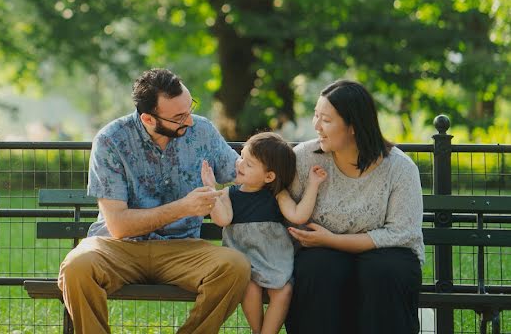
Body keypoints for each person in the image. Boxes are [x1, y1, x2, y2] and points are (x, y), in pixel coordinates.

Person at [58, 68, 251, 334]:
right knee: (76, 267)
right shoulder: (111, 140)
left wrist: (292, 158)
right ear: (148, 118)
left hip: (182, 249)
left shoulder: (202, 131)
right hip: (118, 248)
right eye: (179, 117)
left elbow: (242, 170)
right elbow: (118, 226)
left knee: (235, 266)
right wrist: (183, 207)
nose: (190, 121)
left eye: (189, 109)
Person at [285, 79, 424, 334]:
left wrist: (331, 240)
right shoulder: (304, 158)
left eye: (326, 120)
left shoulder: (400, 168)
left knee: (383, 271)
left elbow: (401, 233)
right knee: (318, 268)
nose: (316, 126)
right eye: (316, 116)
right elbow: (281, 197)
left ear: (353, 126)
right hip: (321, 254)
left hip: (387, 254)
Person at [204, 131, 327, 334]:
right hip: (243, 258)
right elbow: (222, 219)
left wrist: (313, 185)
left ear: (269, 176)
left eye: (248, 164)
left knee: (284, 290)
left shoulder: (278, 194)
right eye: (241, 156)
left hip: (273, 258)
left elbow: (298, 216)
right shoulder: (228, 193)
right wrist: (211, 190)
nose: (240, 164)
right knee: (249, 287)